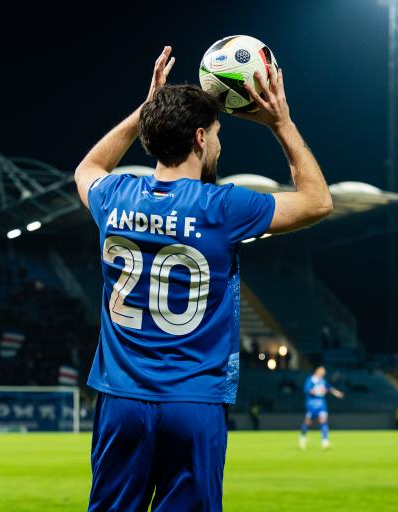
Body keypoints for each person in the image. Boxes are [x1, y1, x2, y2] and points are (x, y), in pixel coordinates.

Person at [74, 46, 332, 512]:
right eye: (215, 134)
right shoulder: (222, 207)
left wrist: (145, 111)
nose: (218, 144)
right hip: (193, 402)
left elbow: (86, 168)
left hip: (120, 400)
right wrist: (281, 123)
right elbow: (317, 201)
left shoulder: (114, 196)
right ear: (199, 138)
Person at [299, 366, 344, 450]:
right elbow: (307, 390)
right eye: (322, 371)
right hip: (311, 404)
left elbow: (329, 388)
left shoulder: (322, 381)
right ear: (317, 371)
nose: (323, 373)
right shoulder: (311, 380)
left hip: (321, 404)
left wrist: (337, 393)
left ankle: (325, 441)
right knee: (308, 422)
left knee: (323, 421)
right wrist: (318, 391)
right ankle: (303, 438)